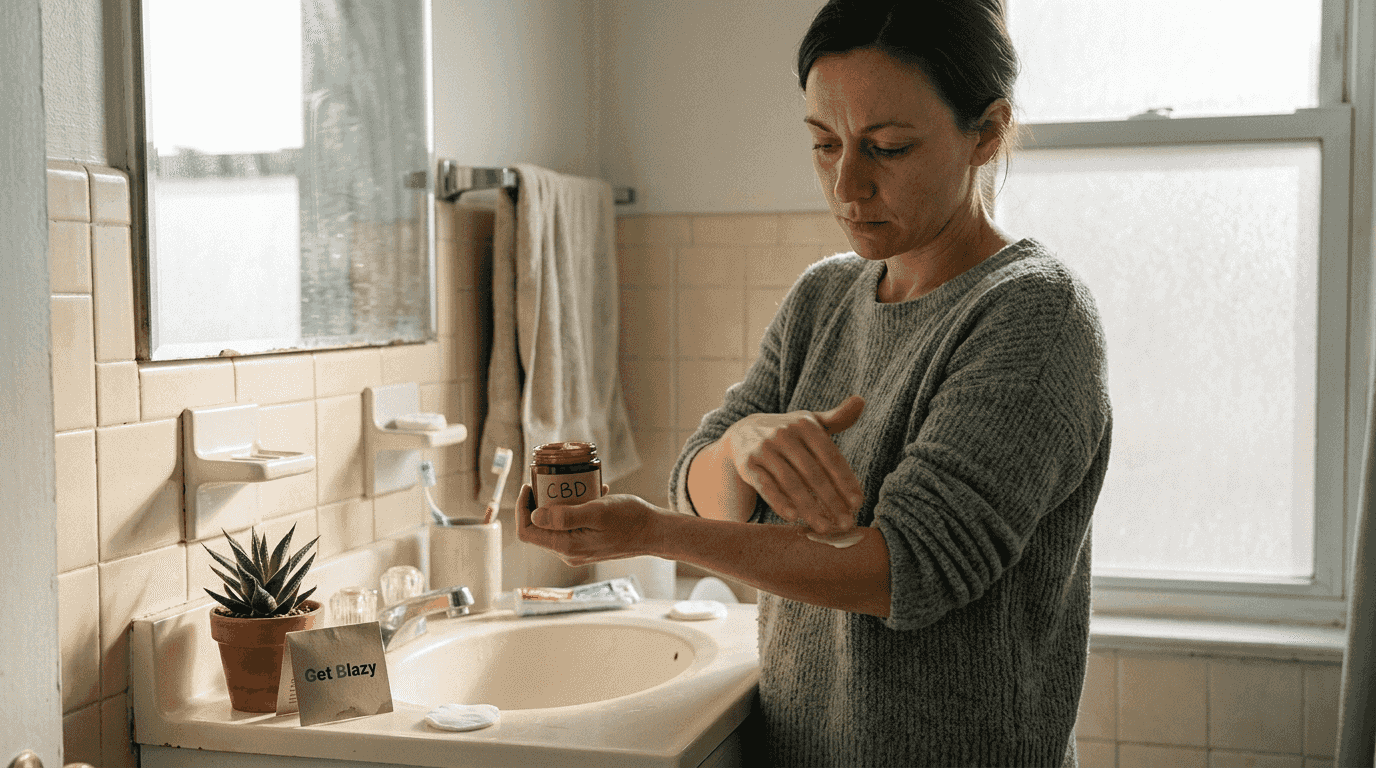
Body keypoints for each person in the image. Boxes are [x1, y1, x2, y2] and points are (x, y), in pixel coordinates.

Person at [517, 0, 1111, 765]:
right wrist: (741, 446)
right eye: (824, 143)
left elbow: (907, 573)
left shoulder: (1033, 313)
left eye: (887, 148)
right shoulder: (824, 297)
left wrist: (651, 535)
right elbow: (694, 483)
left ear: (986, 134)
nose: (846, 184)